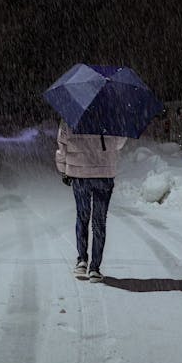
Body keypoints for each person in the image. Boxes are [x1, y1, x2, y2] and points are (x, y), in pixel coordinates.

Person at [55, 119, 127, 283]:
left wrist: (64, 170)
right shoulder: (111, 116)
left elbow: (62, 147)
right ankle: (95, 268)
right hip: (104, 174)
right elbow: (118, 144)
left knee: (82, 216)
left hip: (80, 175)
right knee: (99, 221)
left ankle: (82, 261)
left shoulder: (70, 116)